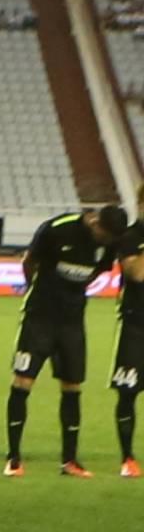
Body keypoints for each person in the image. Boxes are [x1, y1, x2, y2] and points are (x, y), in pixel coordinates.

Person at [7, 201, 126, 476]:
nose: (106, 241)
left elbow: (99, 270)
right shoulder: (57, 229)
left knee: (72, 386)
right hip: (39, 318)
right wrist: (37, 291)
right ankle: (13, 459)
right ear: (96, 223)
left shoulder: (109, 242)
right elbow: (29, 262)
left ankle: (69, 461)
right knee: (23, 381)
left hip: (72, 322)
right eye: (105, 236)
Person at [109, 182, 144, 477]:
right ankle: (128, 458)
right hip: (136, 326)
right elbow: (137, 274)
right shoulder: (131, 237)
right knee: (128, 392)